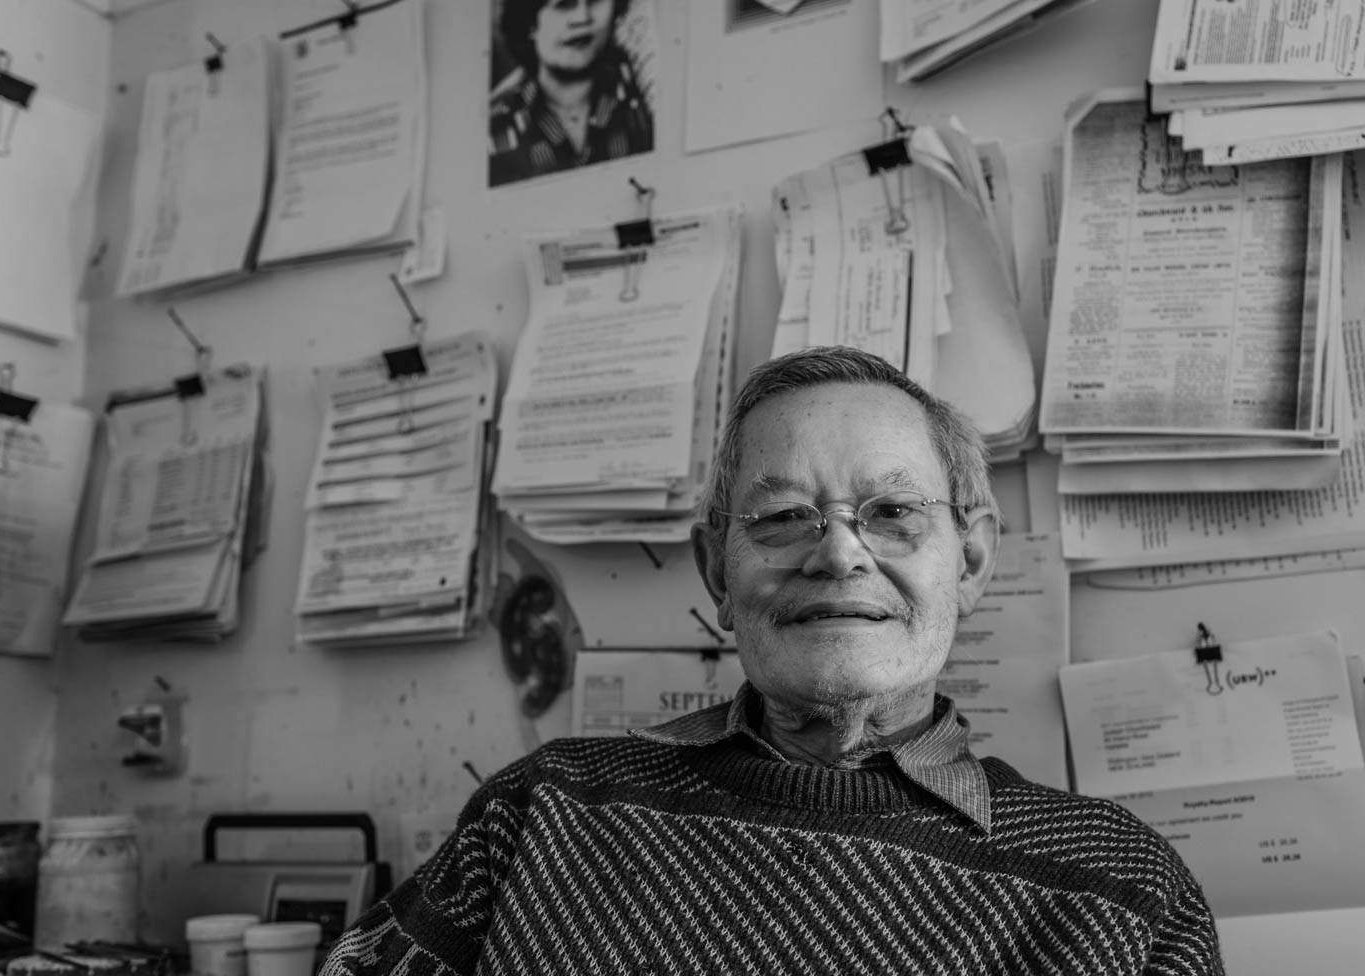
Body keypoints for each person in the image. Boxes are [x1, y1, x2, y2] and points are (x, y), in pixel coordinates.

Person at [318, 346, 1226, 975]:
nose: (837, 556)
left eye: (893, 513)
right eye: (783, 517)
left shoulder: (1120, 890)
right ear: (718, 568)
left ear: (973, 559)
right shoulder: (546, 809)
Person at [488, 0, 654, 187]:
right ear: (531, 24)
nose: (582, 17)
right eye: (564, 3)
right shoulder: (496, 126)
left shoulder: (644, 96)